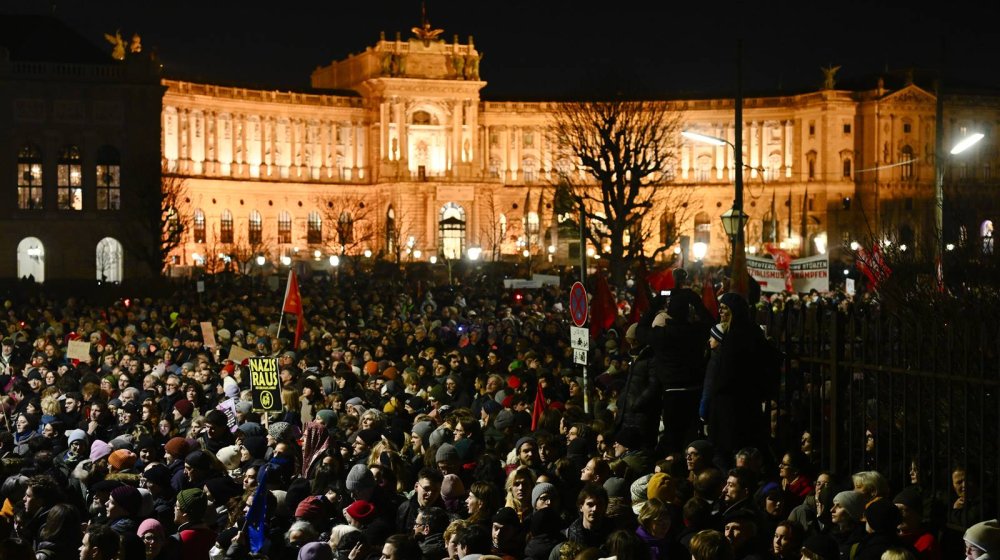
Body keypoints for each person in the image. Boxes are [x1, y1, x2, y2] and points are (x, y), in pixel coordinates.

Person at [708, 292, 780, 467]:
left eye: (725, 309)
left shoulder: (738, 335)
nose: (721, 312)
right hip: (739, 399)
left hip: (734, 401)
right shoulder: (741, 332)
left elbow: (727, 372)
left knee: (732, 448)